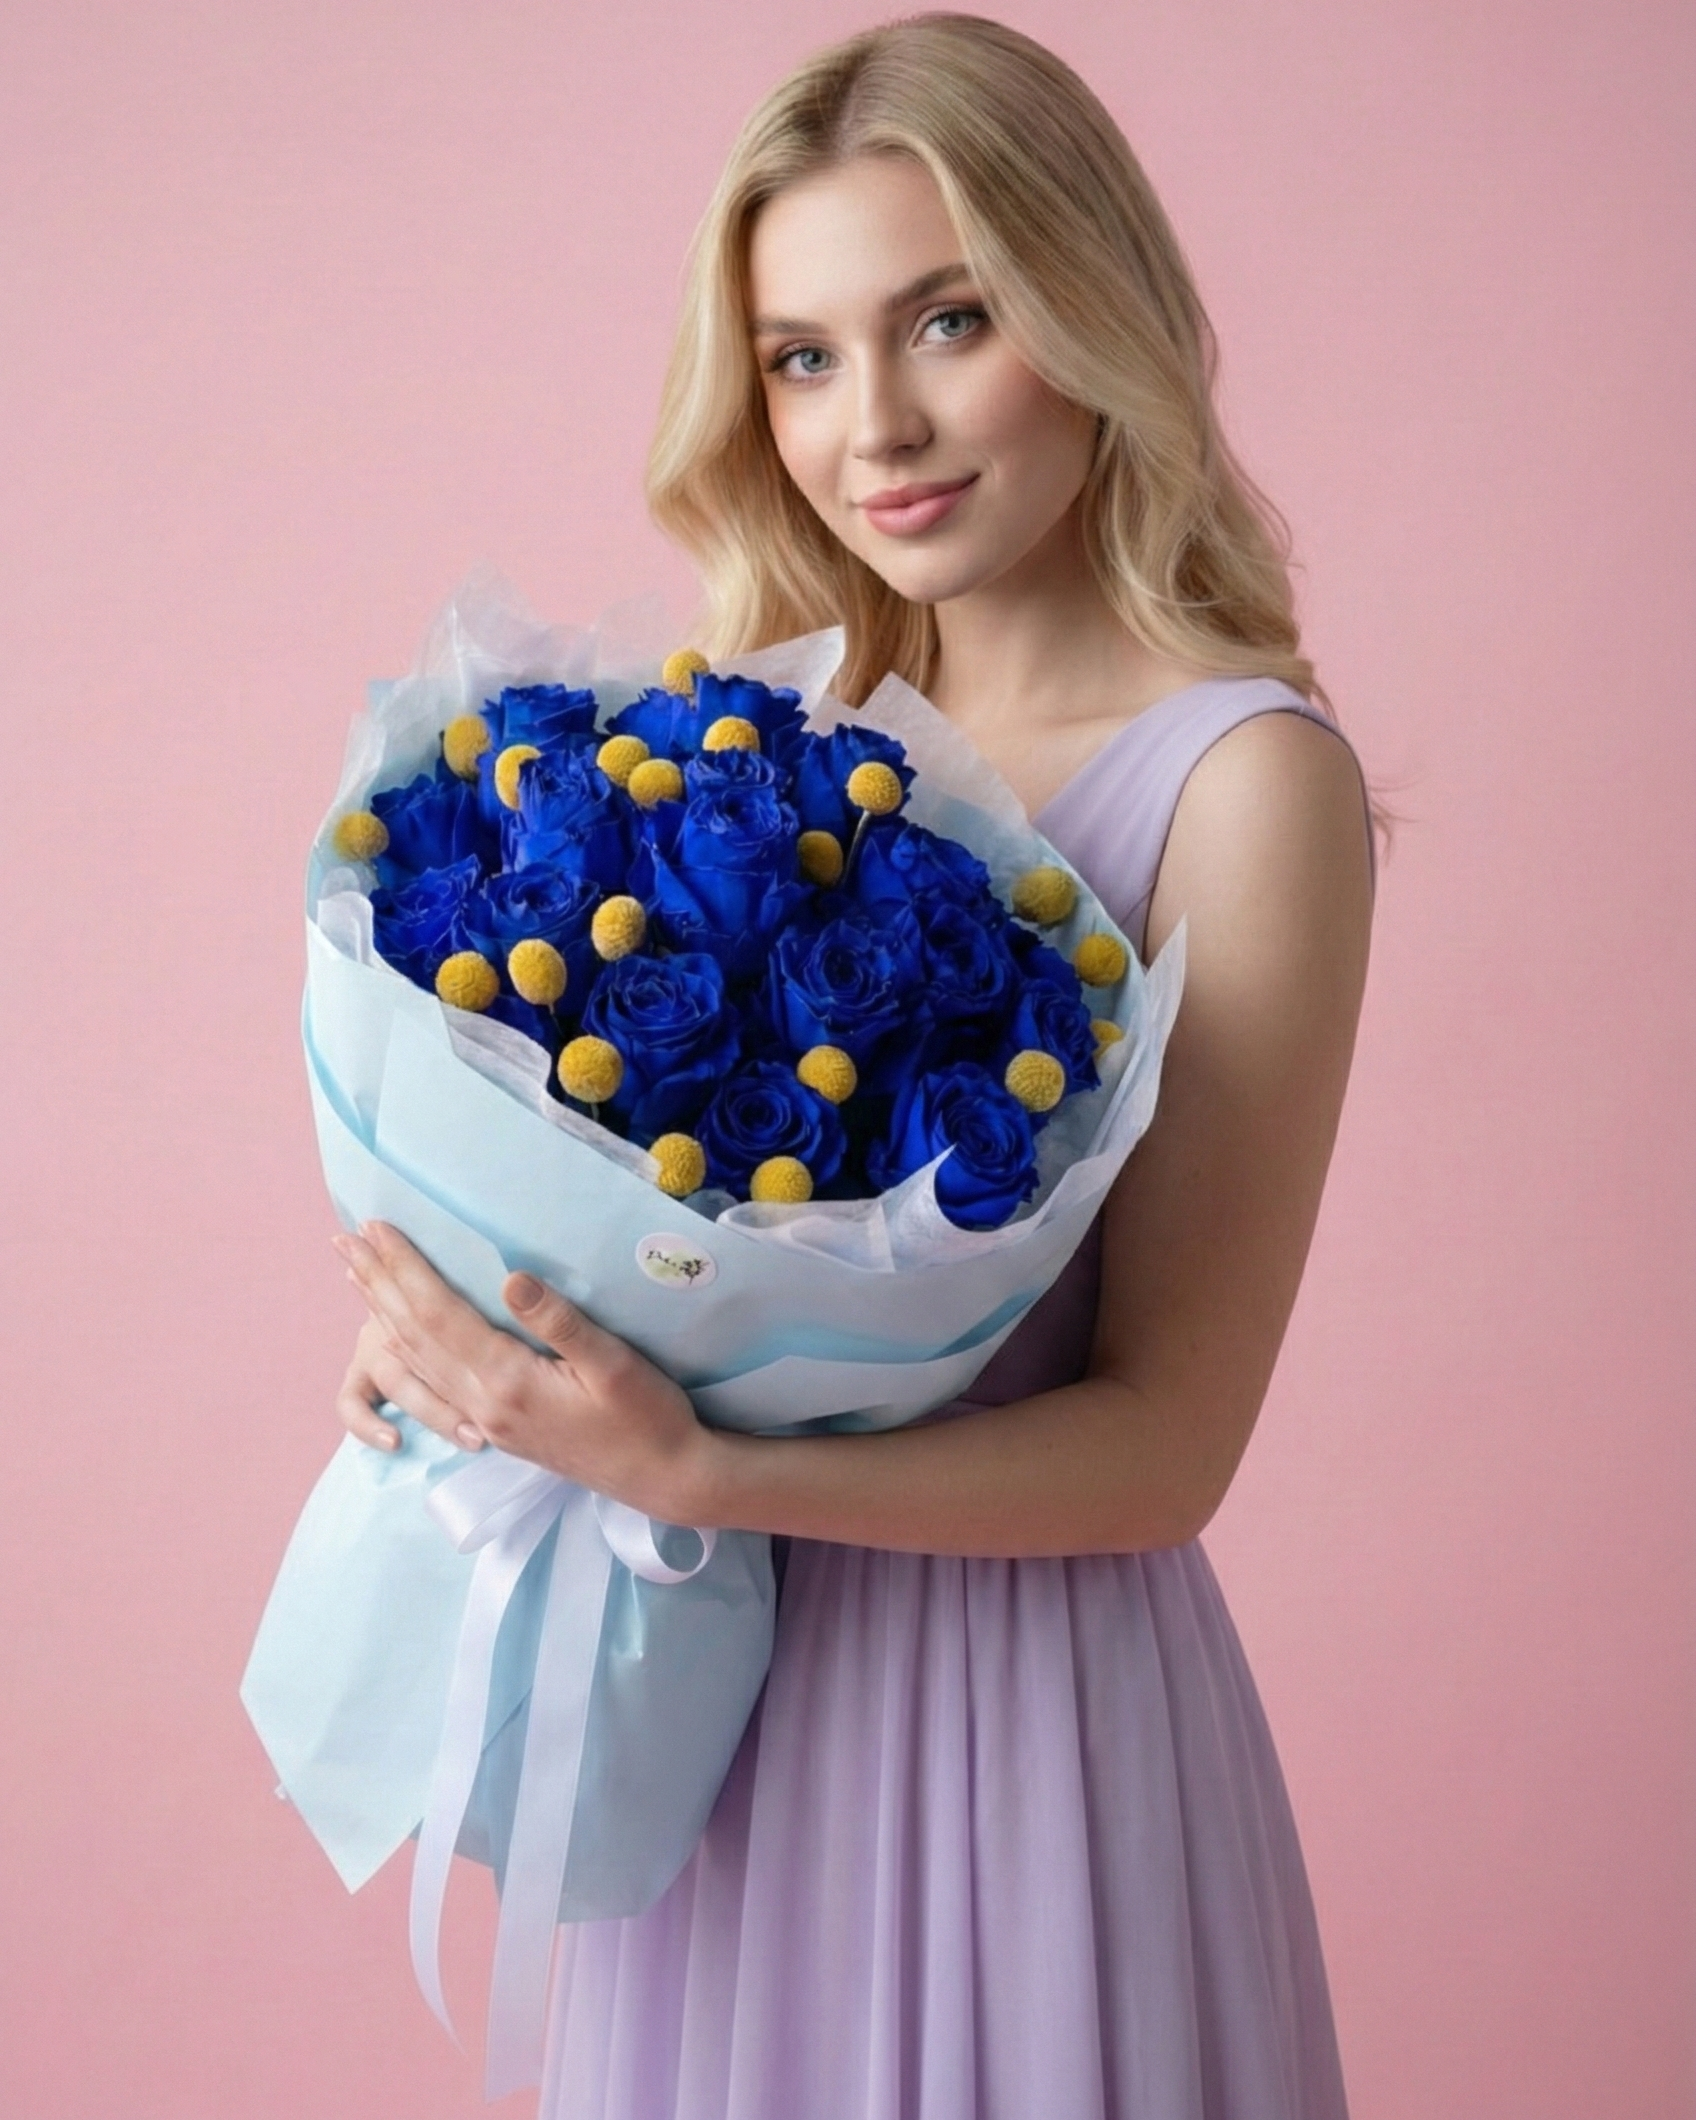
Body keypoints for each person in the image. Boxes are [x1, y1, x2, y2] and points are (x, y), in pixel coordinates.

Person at [333, 15, 1375, 2117]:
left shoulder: (1244, 786)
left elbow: (1167, 1443)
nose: (872, 422)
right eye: (798, 355)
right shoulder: (747, 747)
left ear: (1096, 314)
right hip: (711, 1718)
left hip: (1020, 1749)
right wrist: (471, 1350)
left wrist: (703, 1470)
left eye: (946, 320)